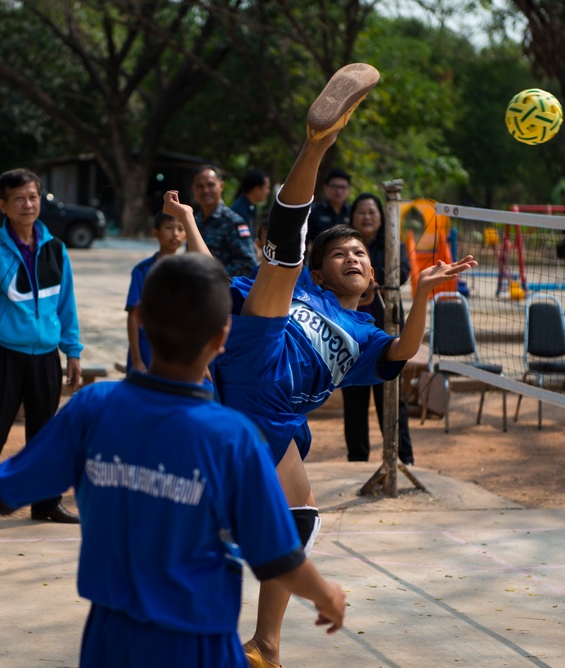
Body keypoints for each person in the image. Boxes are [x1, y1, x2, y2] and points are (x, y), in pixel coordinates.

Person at [161, 61, 476, 668]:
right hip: (254, 360)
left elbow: (402, 355)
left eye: (360, 252)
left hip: (275, 416)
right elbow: (216, 276)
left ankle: (266, 646)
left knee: (297, 524)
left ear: (371, 273)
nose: (353, 256)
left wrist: (425, 298)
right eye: (341, 253)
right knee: (282, 255)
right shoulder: (304, 290)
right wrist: (194, 224)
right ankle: (317, 142)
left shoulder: (364, 333)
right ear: (324, 269)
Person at [0, 252, 347, 666]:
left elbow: (2, 488)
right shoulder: (232, 439)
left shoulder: (94, 408)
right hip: (197, 644)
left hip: (109, 642)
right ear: (223, 336)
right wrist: (324, 593)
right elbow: (277, 554)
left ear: (142, 321)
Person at [0, 168, 83, 532]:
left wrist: (72, 351)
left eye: (33, 197)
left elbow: (66, 305)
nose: (28, 204)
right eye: (19, 198)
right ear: (3, 205)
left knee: (46, 434)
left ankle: (46, 503)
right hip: (3, 356)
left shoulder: (56, 249)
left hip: (46, 356)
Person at [343, 192, 414, 464]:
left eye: (372, 211)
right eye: (361, 211)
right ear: (352, 216)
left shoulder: (392, 243)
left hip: (386, 332)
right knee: (354, 402)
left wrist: (373, 279)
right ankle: (357, 460)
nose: (367, 216)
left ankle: (402, 459)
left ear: (381, 217)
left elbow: (404, 271)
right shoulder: (342, 244)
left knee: (392, 399)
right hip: (349, 333)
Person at [124, 211, 186, 373]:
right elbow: (132, 315)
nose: (175, 234)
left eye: (180, 228)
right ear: (155, 233)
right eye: (168, 228)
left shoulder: (189, 272)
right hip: (147, 347)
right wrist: (137, 360)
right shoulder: (143, 270)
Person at [192, 165, 258, 278]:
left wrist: (213, 274)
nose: (205, 190)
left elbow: (248, 264)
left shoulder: (233, 221)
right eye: (200, 186)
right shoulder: (195, 222)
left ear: (221, 186)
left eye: (210, 185)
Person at [306, 167, 352, 245]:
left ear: (349, 190)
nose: (338, 191)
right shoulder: (314, 211)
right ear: (325, 187)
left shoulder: (353, 212)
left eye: (343, 187)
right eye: (334, 186)